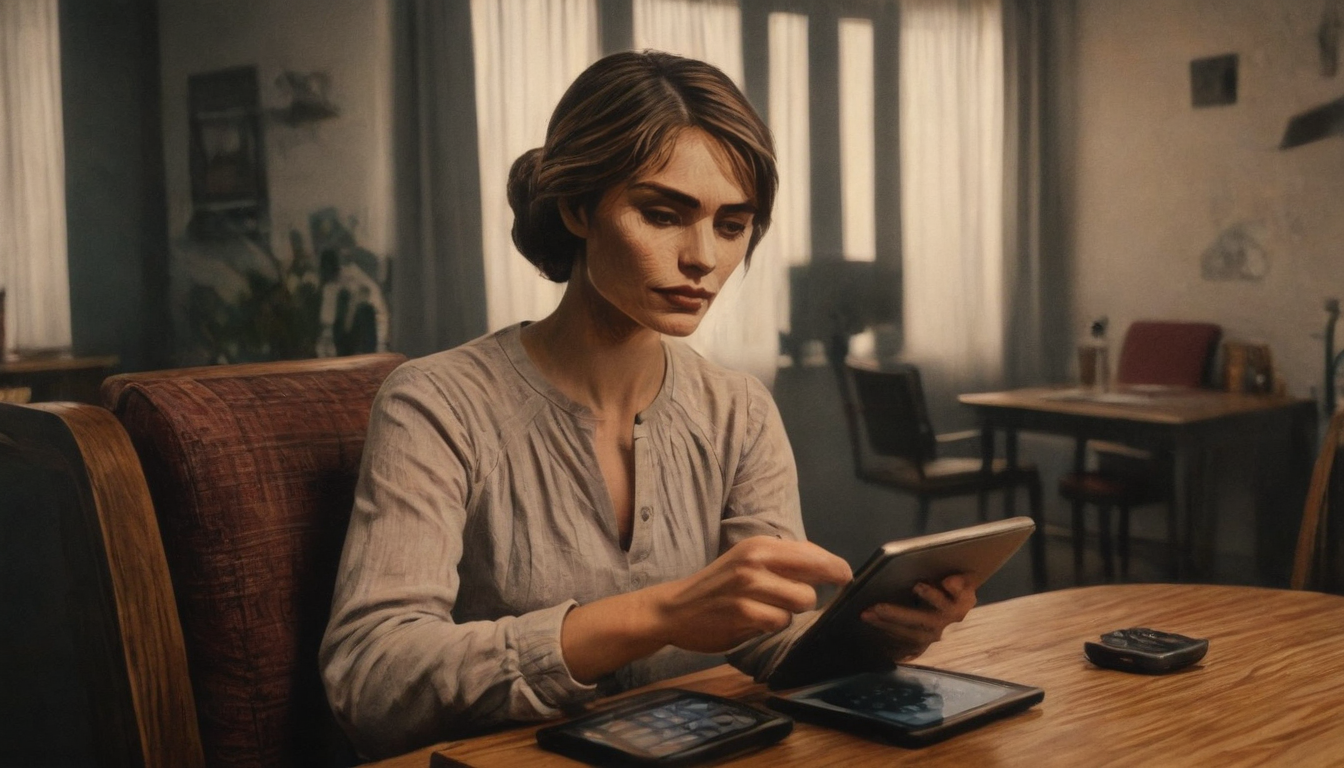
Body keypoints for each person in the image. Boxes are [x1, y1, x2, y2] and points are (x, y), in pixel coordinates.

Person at [319, 50, 975, 759]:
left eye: (732, 225)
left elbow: (770, 638)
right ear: (577, 207)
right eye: (663, 214)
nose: (703, 258)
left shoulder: (739, 411)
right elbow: (371, 681)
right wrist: (658, 613)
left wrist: (874, 633)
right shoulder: (437, 404)